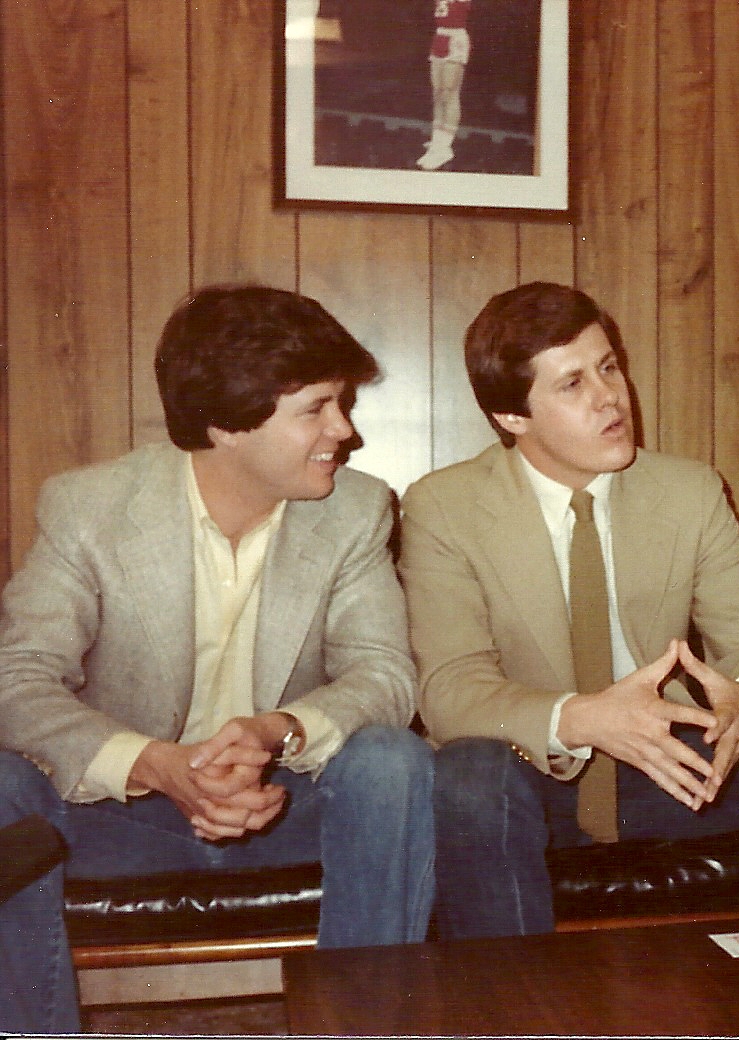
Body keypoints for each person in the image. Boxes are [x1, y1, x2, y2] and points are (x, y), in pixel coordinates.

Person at [0, 286, 435, 1034]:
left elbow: (386, 676)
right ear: (226, 424)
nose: (345, 431)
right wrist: (156, 765)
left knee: (394, 761)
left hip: (288, 804)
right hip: (127, 815)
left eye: (344, 404)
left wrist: (279, 732)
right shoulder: (91, 509)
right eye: (318, 409)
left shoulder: (357, 509)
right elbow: (17, 678)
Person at [402, 281, 739, 970]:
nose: (609, 397)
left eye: (610, 366)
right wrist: (585, 718)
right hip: (539, 780)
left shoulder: (689, 490)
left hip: (675, 770)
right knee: (470, 773)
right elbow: (450, 690)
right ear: (512, 417)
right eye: (572, 384)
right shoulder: (444, 507)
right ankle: (514, 1012)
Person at [418, 0, 472, 171]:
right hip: (439, 37)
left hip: (455, 39)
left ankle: (444, 147)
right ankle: (437, 142)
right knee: (438, 94)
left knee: (450, 94)